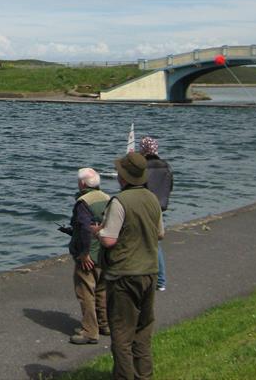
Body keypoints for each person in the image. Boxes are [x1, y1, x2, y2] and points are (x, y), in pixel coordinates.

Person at [93, 152, 164, 380]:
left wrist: (98, 231)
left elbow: (109, 240)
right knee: (143, 331)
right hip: (150, 272)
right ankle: (144, 375)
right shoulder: (152, 199)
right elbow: (160, 233)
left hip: (124, 274)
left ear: (123, 178)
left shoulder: (120, 201)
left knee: (122, 336)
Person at [66, 167, 110, 345]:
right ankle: (104, 324)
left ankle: (90, 331)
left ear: (82, 183)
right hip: (105, 252)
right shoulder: (108, 198)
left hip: (89, 254)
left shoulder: (83, 202)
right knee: (102, 290)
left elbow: (84, 228)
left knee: (85, 292)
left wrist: (84, 254)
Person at [139, 136, 174, 291]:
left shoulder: (143, 166)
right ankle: (159, 280)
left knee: (148, 242)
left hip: (145, 206)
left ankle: (158, 280)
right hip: (160, 206)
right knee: (155, 241)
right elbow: (170, 186)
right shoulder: (166, 166)